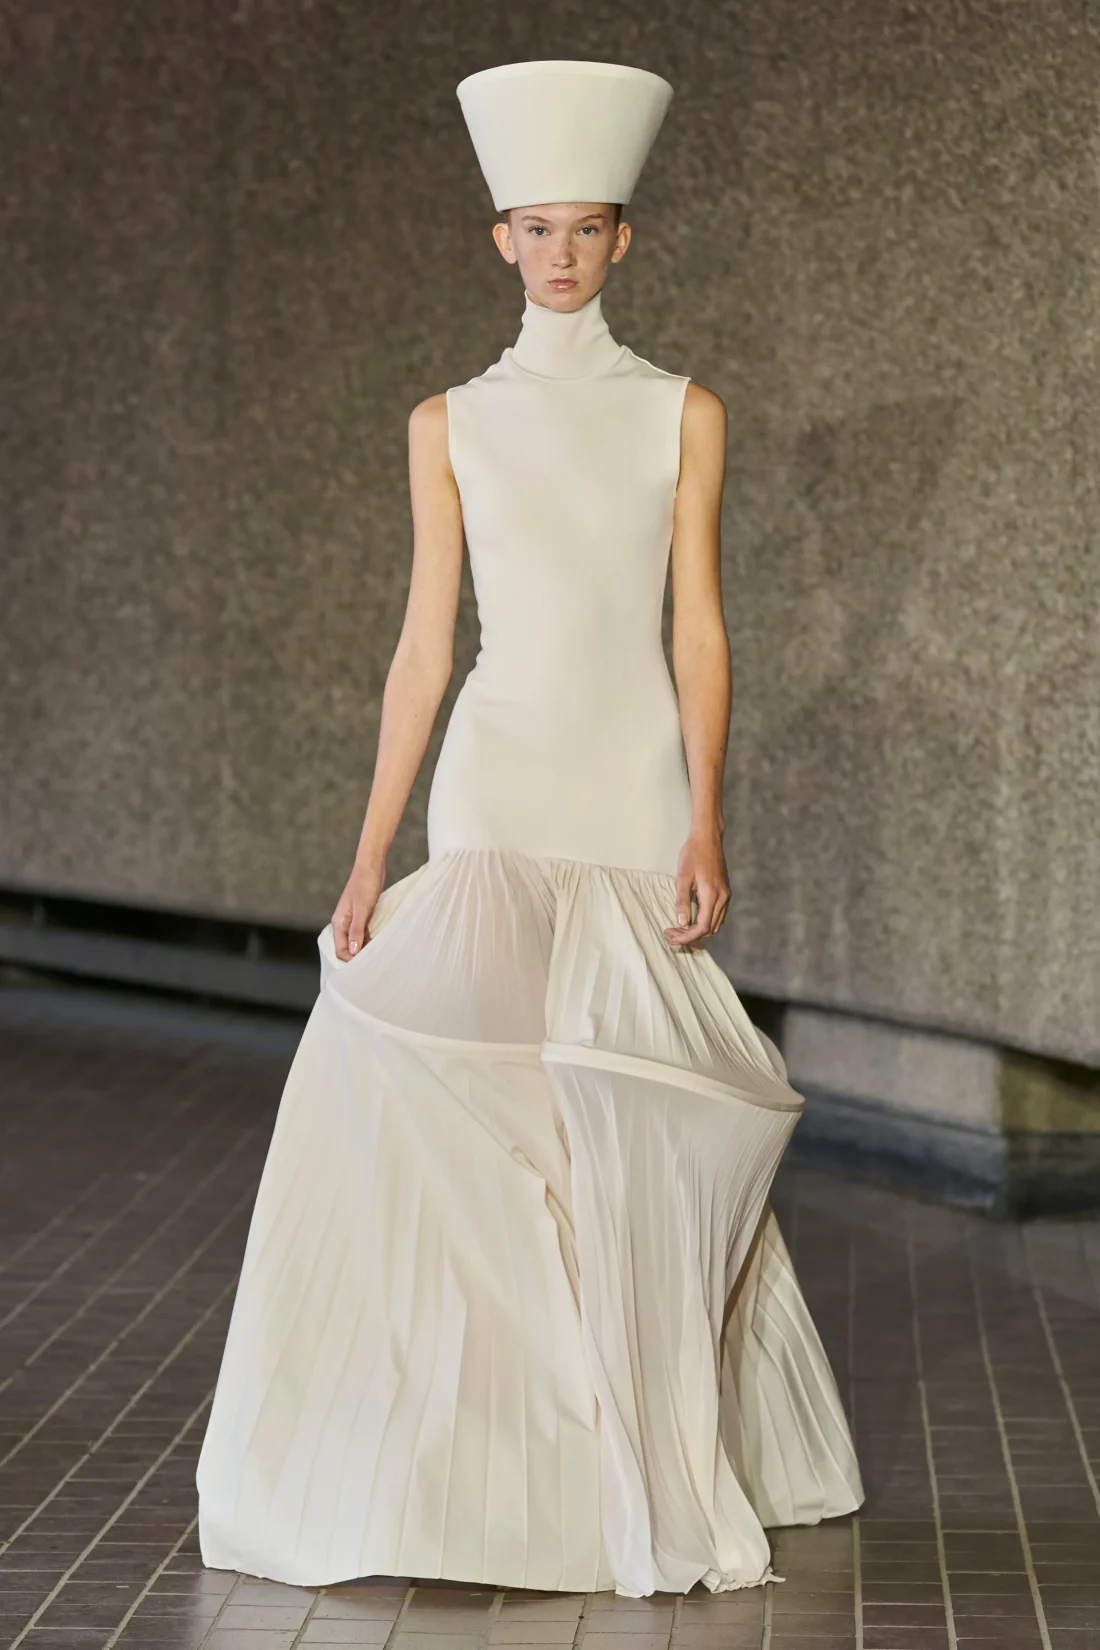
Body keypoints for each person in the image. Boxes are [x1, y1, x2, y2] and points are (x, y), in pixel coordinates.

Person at [196, 57, 863, 1600]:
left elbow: (701, 628)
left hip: (627, 779)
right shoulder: (448, 423)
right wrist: (370, 850)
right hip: (494, 781)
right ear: (501, 238)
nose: (561, 253)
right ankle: (512, 1453)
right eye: (535, 228)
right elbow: (424, 648)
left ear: (624, 237)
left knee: (617, 1112)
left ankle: (630, 1434)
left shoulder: (684, 413)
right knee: (490, 1111)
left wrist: (708, 814)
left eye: (586, 227)